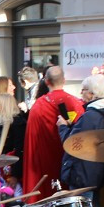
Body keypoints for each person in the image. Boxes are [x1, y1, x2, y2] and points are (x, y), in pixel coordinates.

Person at [22, 66, 84, 199]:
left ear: (47, 82)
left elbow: (32, 141)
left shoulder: (38, 105)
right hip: (69, 162)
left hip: (44, 166)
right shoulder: (75, 103)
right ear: (64, 80)